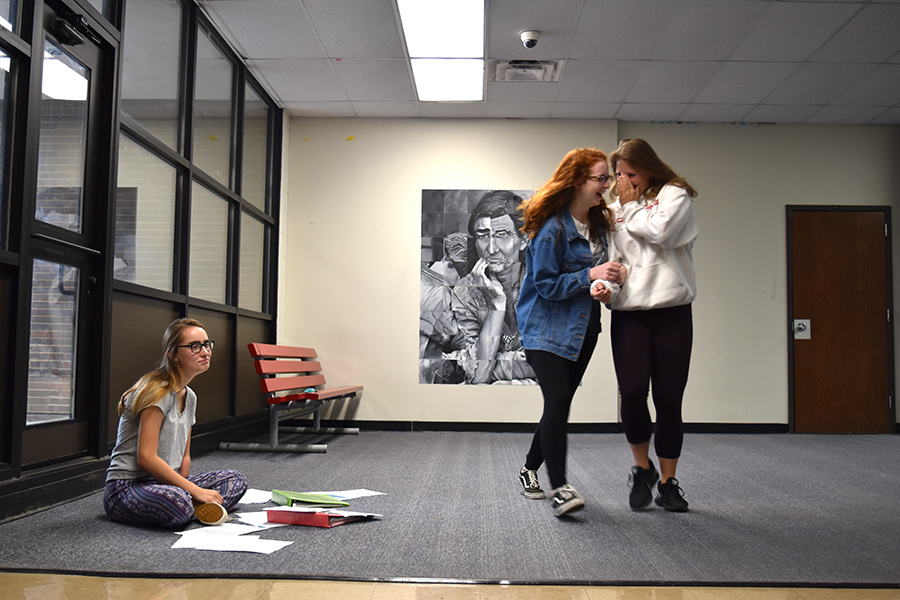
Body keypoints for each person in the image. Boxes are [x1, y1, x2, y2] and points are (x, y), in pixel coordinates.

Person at [515, 148, 625, 516]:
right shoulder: (552, 228)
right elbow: (545, 285)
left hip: (583, 329)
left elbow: (596, 279)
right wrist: (589, 276)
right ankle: (560, 488)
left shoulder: (598, 224)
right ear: (579, 181)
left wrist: (602, 287)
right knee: (559, 399)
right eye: (601, 178)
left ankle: (529, 469)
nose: (606, 185)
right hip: (544, 329)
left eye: (608, 178)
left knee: (558, 404)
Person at [592, 138, 698, 513]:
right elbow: (615, 260)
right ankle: (642, 469)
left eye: (629, 173)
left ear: (648, 168)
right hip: (630, 314)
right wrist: (606, 285)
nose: (622, 182)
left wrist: (632, 205)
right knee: (633, 392)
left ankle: (669, 481)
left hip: (672, 311)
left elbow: (663, 233)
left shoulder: (675, 194)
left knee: (669, 398)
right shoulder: (613, 211)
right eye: (617, 175)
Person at [104, 318, 248, 527]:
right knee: (180, 502)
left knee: (236, 480)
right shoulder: (156, 391)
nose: (205, 352)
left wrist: (186, 486)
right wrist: (194, 491)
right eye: (194, 346)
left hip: (165, 482)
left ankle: (191, 506)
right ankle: (191, 506)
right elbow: (146, 458)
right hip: (127, 487)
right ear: (172, 353)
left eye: (207, 344)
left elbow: (185, 456)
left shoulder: (190, 396)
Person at [452, 191, 536, 384]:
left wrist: (495, 368)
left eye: (502, 235)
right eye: (483, 236)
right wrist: (497, 305)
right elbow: (478, 374)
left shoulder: (542, 286)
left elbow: (547, 364)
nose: (491, 249)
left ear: (524, 240)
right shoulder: (464, 292)